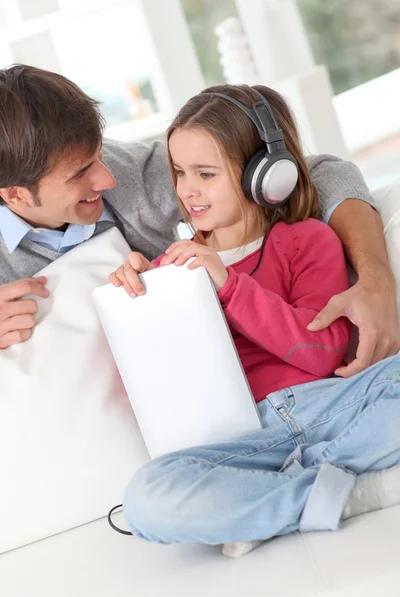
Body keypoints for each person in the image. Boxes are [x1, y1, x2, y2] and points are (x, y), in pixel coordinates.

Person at [109, 84, 400, 558]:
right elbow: (155, 390)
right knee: (145, 499)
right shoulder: (172, 269)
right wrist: (140, 303)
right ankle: (345, 492)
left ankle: (267, 503)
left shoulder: (307, 239)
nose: (187, 190)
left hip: (324, 405)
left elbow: (320, 354)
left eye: (205, 173)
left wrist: (230, 286)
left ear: (266, 175)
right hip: (246, 438)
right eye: (180, 172)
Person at [0, 64, 398, 370]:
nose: (106, 178)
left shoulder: (130, 175)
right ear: (14, 195)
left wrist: (377, 279)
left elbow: (315, 173)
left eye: (98, 155)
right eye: (80, 174)